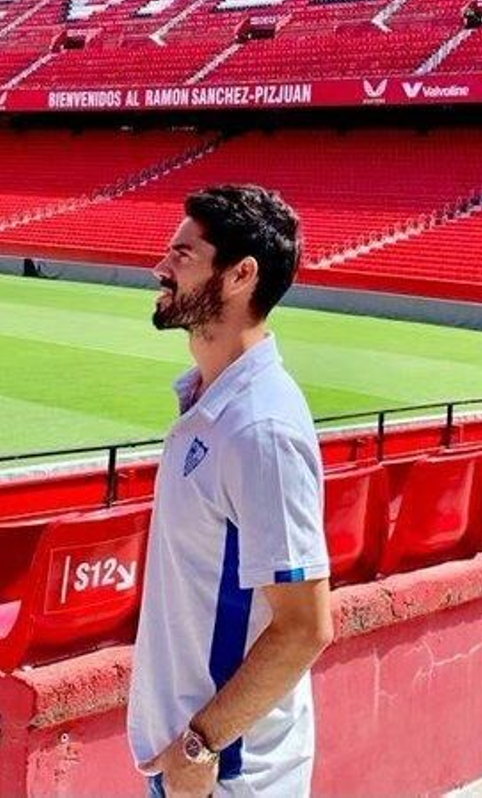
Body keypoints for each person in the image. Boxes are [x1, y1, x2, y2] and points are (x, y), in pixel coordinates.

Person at [128, 185, 332, 798]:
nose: (160, 269)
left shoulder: (260, 429)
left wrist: (199, 746)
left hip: (226, 775)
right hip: (189, 764)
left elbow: (305, 626)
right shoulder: (212, 403)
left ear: (241, 275)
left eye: (183, 254)